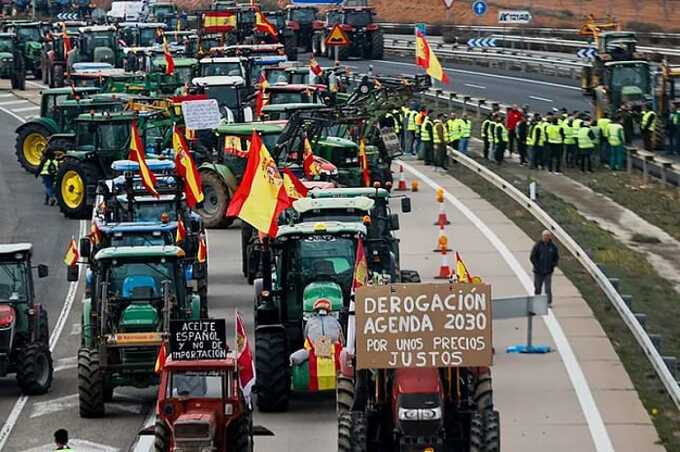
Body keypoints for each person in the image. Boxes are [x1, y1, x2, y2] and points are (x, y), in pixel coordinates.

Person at [530, 230, 559, 307]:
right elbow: (532, 257)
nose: (546, 238)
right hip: (538, 271)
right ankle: (537, 302)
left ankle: (548, 302)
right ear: (542, 236)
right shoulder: (537, 246)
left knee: (548, 288)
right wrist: (537, 265)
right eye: (544, 236)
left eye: (547, 236)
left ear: (550, 237)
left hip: (548, 271)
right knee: (537, 288)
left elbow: (556, 257)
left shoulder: (553, 247)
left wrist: (553, 265)